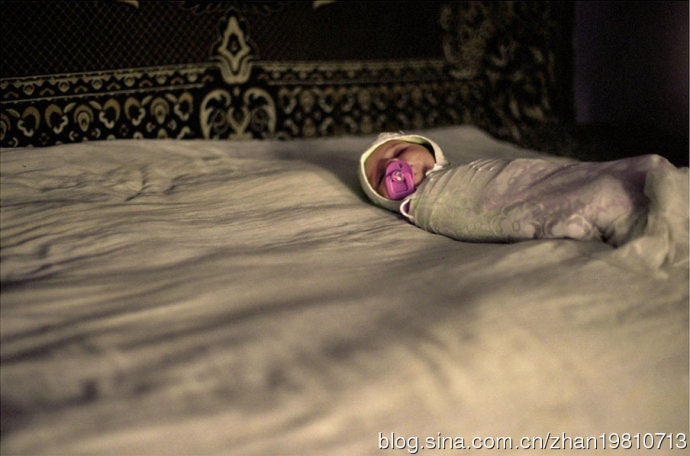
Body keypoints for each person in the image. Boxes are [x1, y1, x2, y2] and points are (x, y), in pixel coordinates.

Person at [358, 132, 687, 263]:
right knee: (586, 203)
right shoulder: (420, 208)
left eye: (398, 152)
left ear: (428, 148)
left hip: (522, 179)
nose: (392, 167)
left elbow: (517, 176)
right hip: (515, 206)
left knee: (585, 182)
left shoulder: (458, 171)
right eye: (378, 178)